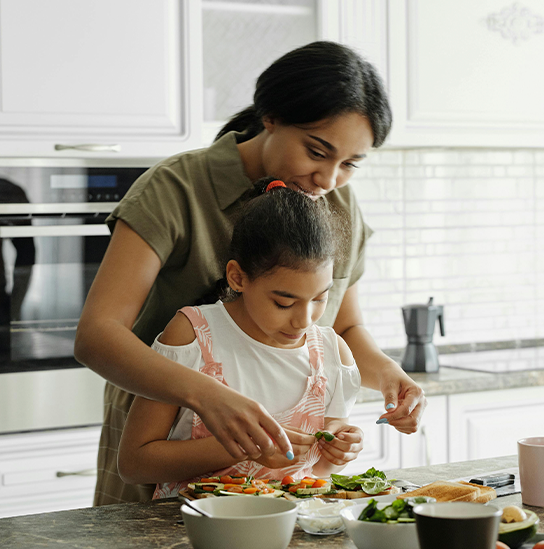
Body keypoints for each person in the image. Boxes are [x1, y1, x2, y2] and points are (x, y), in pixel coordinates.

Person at [75, 41, 427, 504]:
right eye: (317, 151)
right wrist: (208, 396)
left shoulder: (336, 202)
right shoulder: (175, 188)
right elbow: (97, 335)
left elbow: (341, 325)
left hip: (277, 484)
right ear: (272, 117)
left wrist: (387, 375)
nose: (329, 179)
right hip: (164, 435)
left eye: (349, 165)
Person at [118, 179, 363, 497]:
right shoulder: (193, 337)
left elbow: (317, 472)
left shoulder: (332, 354)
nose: (304, 320)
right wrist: (242, 447)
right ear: (238, 277)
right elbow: (134, 464)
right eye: (284, 302)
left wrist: (338, 453)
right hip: (190, 533)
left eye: (320, 298)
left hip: (291, 533)